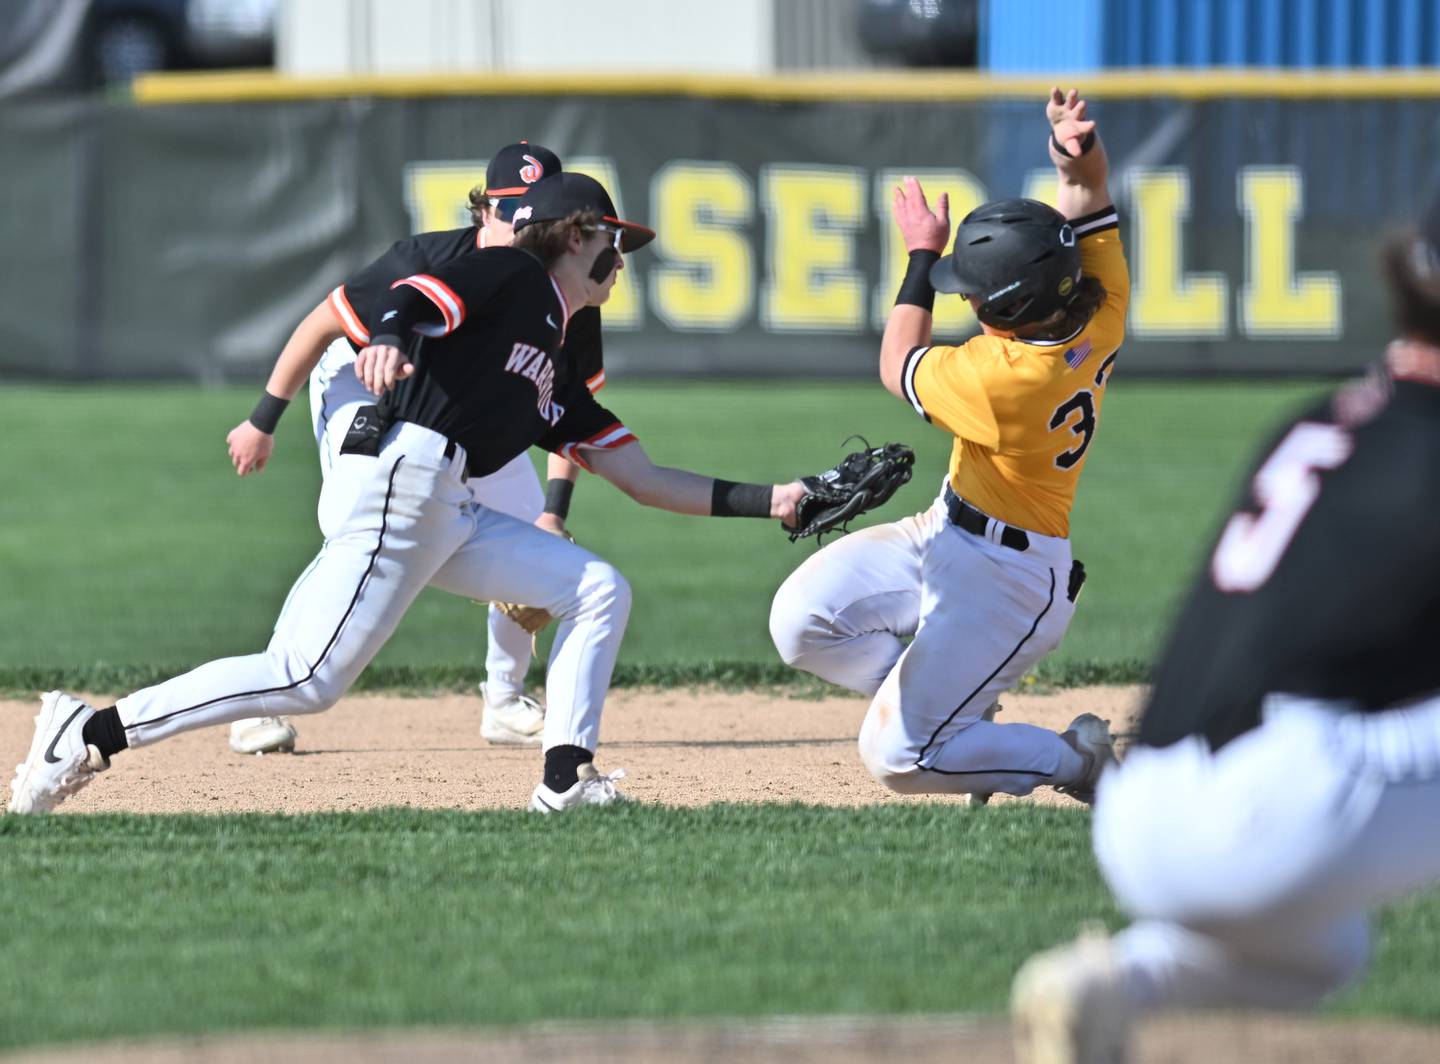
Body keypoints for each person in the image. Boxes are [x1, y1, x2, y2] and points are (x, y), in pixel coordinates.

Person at [9, 172, 810, 815]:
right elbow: (419, 293)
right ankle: (91, 731)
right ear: (575, 234)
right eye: (612, 240)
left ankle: (566, 779)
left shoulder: (555, 349)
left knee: (598, 589)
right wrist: (392, 333)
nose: (619, 259)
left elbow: (640, 477)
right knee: (303, 679)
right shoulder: (516, 273)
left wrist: (778, 498)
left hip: (448, 503)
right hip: (407, 481)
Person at [1010, 198, 1440, 1064]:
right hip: (1290, 803)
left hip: (1144, 816)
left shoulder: (1318, 423)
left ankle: (1115, 983)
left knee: (1323, 952)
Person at [767, 88, 1129, 805]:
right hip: (943, 530)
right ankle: (959, 707)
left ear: (1007, 308)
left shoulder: (1005, 380)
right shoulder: (1102, 302)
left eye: (971, 290)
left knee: (897, 759)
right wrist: (1073, 148)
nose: (961, 296)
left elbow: (896, 357)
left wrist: (921, 253)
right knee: (800, 623)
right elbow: (1088, 190)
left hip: (1010, 584)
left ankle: (1077, 762)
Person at [223, 142, 599, 755]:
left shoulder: (566, 289)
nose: (518, 224)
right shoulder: (427, 257)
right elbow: (325, 322)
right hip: (365, 379)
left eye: (533, 212)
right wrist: (263, 419)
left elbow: (568, 416)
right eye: (508, 210)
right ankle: (262, 696)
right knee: (355, 518)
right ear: (483, 212)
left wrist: (554, 512)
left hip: (466, 404)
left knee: (529, 527)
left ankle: (504, 701)